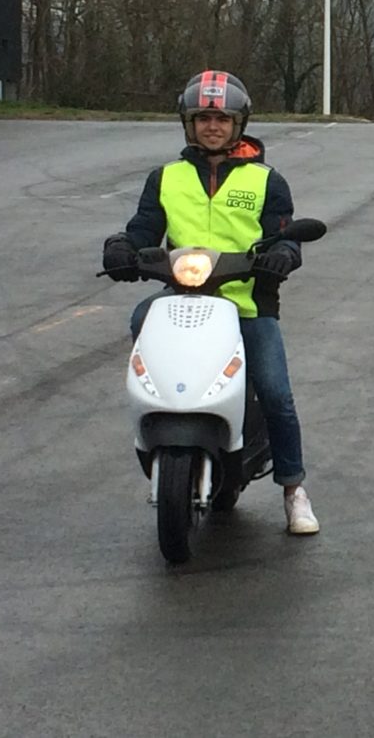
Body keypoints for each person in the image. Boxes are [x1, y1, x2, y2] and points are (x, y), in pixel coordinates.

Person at [101, 70, 320, 535]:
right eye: (203, 117)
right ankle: (159, 419)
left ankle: (293, 489)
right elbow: (142, 229)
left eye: (222, 118)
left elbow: (285, 235)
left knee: (277, 392)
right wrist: (121, 247)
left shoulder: (266, 180)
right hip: (182, 295)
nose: (213, 126)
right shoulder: (166, 178)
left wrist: (283, 253)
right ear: (188, 123)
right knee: (141, 317)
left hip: (246, 302)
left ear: (239, 123)